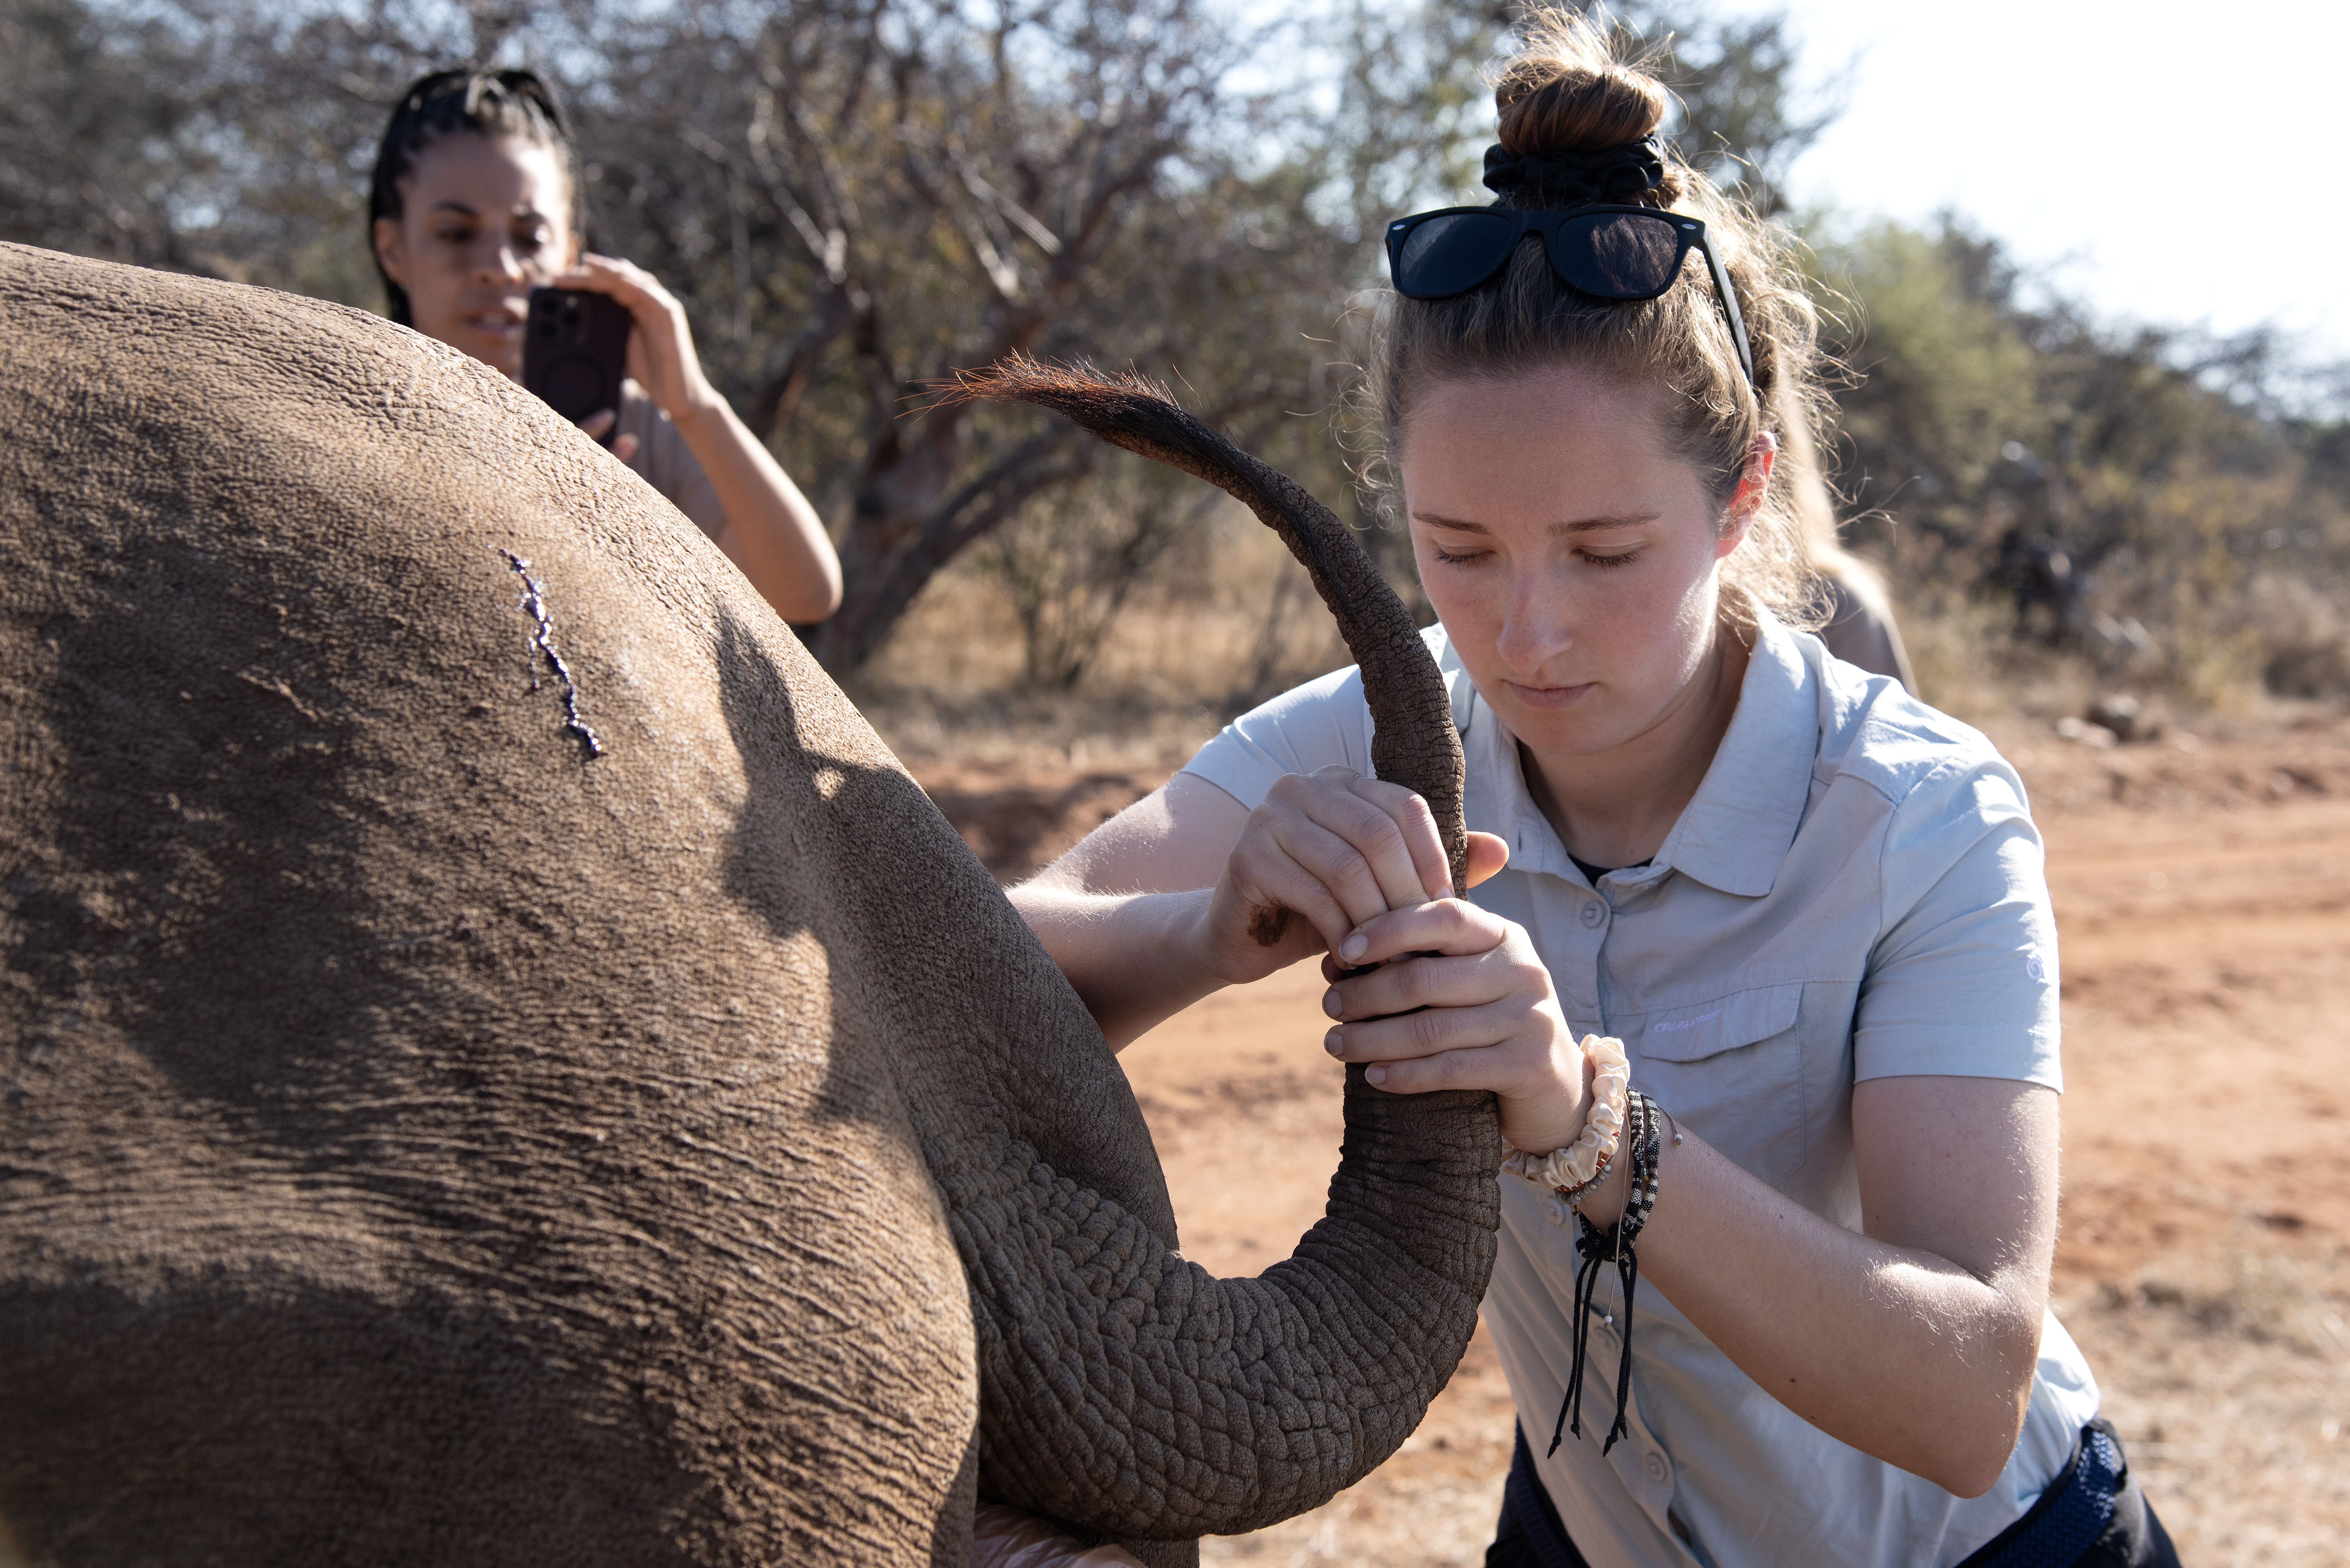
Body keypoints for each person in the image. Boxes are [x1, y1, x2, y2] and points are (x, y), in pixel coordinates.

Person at [1007, 13, 2175, 1567]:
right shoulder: (1392, 713)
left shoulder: (1921, 814)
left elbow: (1964, 1392)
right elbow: (994, 946)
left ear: (1743, 493)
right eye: (1459, 550)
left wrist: (1587, 1123)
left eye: (1606, 553)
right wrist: (1210, 927)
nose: (1525, 634)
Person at [367, 69, 842, 623]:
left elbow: (804, 594)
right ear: (392, 248)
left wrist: (694, 405)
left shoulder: (632, 423)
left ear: (570, 251)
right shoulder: (346, 405)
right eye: (456, 233)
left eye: (529, 238)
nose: (498, 268)